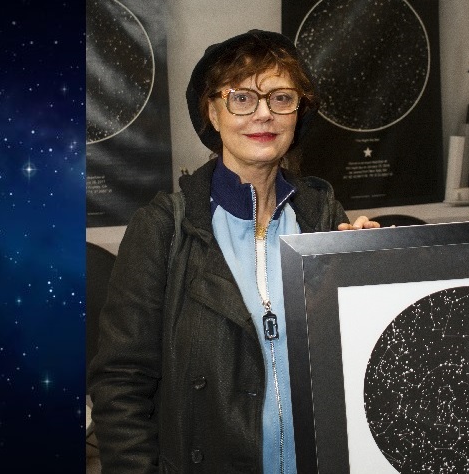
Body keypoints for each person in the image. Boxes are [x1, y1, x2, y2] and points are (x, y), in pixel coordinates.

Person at [88, 29, 379, 474]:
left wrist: (371, 278)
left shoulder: (324, 216)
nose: (263, 114)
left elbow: (358, 362)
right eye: (242, 98)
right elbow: (121, 384)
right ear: (212, 111)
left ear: (298, 114)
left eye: (281, 98)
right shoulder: (164, 227)